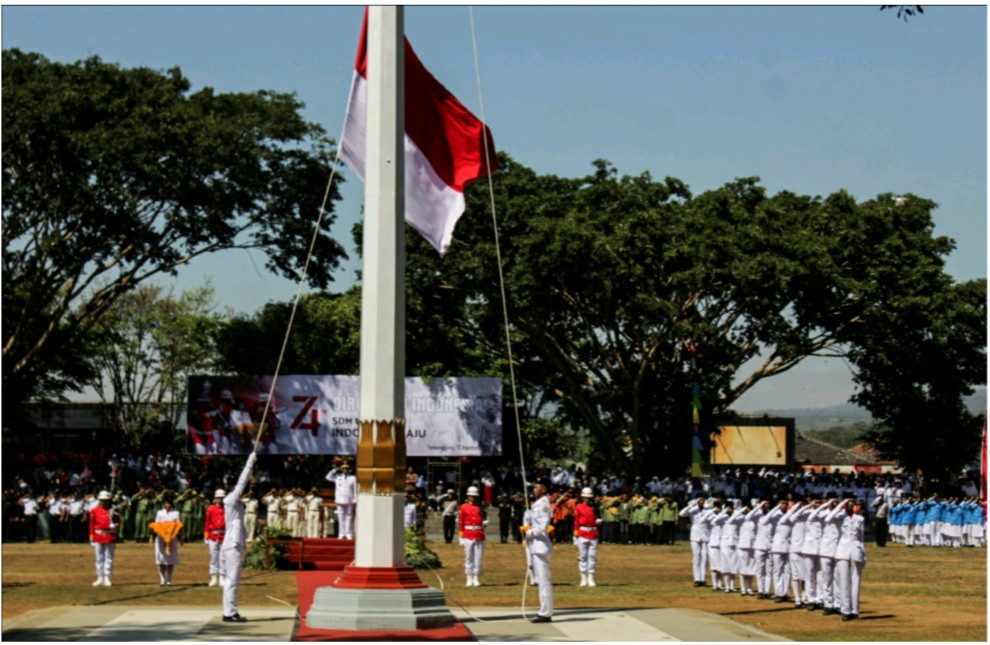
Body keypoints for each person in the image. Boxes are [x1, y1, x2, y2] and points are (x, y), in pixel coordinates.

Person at [220, 451, 258, 623]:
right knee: (232, 580)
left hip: (235, 544)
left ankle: (229, 610)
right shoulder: (230, 500)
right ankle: (229, 612)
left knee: (232, 579)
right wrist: (250, 462)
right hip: (231, 545)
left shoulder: (237, 503)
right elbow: (242, 482)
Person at [523, 478, 554, 623]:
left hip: (541, 545)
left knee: (543, 580)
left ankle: (546, 612)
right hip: (535, 545)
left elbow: (543, 526)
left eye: (537, 487)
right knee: (540, 580)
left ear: (544, 489)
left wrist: (530, 532)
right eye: (534, 487)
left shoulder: (544, 504)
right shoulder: (536, 504)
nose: (534, 489)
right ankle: (544, 610)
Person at [833, 499, 866, 621]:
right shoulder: (840, 516)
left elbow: (862, 538)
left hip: (856, 551)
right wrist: (842, 504)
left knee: (855, 582)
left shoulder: (860, 519)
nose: (851, 506)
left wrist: (864, 554)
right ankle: (845, 610)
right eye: (848, 505)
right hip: (842, 551)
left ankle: (855, 610)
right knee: (844, 581)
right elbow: (829, 518)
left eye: (853, 505)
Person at [88, 490, 119, 586]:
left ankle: (107, 577)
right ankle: (99, 577)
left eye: (106, 500)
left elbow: (118, 522)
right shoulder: (94, 511)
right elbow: (92, 525)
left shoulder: (114, 510)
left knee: (109, 557)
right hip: (98, 536)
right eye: (102, 500)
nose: (104, 502)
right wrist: (91, 537)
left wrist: (115, 525)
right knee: (99, 558)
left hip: (110, 535)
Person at [679, 496, 710, 587]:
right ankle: (697, 579)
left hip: (705, 535)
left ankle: (703, 579)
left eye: (702, 500)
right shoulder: (692, 510)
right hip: (695, 535)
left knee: (704, 558)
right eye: (699, 500)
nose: (701, 501)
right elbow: (681, 514)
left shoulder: (707, 510)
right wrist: (692, 504)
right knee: (696, 557)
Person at [459, 486, 487, 586]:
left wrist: (485, 523)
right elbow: (461, 522)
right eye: (472, 496)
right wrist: (461, 536)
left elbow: (484, 519)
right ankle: (469, 577)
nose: (474, 498)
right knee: (468, 557)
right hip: (468, 534)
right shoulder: (463, 507)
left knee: (478, 558)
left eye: (475, 496)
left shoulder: (481, 507)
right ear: (468, 496)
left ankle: (476, 577)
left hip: (479, 534)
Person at [573, 487, 601, 587]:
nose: (587, 499)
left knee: (592, 557)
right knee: (582, 556)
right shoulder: (578, 507)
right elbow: (576, 521)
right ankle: (583, 578)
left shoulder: (595, 507)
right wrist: (575, 536)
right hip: (582, 533)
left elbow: (599, 517)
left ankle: (591, 578)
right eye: (585, 497)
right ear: (582, 497)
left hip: (593, 533)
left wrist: (598, 521)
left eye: (588, 497)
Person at [152, 496, 181, 586]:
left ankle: (169, 579)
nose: (168, 505)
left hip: (171, 538)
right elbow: (157, 524)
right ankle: (162, 579)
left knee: (170, 559)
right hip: (161, 538)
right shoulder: (159, 513)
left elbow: (177, 524)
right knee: (161, 559)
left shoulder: (175, 513)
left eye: (169, 504)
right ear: (164, 504)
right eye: (166, 504)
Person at [326, 462, 356, 540]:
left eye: (347, 468)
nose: (345, 470)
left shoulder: (352, 478)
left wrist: (355, 499)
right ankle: (341, 533)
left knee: (349, 517)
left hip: (349, 499)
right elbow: (327, 477)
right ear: (342, 469)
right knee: (341, 517)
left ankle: (348, 533)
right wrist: (335, 470)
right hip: (339, 499)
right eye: (344, 468)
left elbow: (355, 489)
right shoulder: (337, 477)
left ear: (349, 470)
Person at [204, 489, 226, 586]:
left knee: (223, 557)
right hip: (213, 535)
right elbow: (207, 522)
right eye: (218, 498)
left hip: (223, 535)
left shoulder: (227, 509)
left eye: (222, 498)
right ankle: (213, 577)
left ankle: (222, 577)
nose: (220, 500)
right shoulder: (210, 508)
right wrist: (206, 536)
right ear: (215, 499)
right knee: (213, 557)